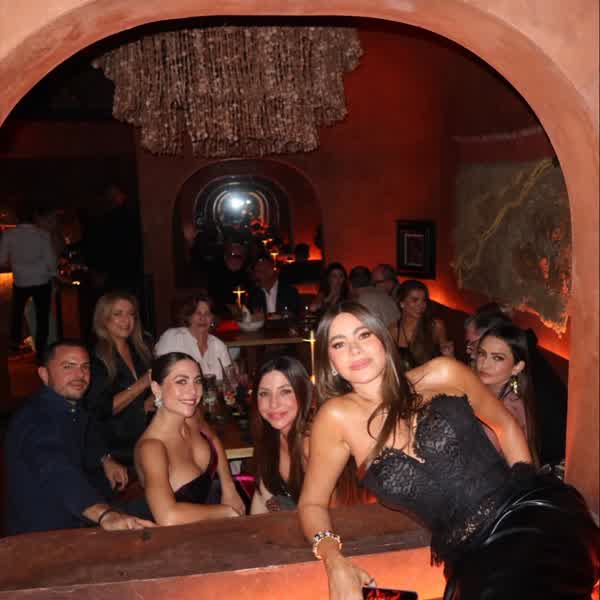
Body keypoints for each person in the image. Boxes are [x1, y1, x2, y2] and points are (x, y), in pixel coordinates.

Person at [297, 301, 598, 600]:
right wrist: (333, 561)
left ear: (383, 340)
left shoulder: (442, 373)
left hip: (524, 513)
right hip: (470, 557)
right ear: (329, 361)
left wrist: (526, 486)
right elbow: (311, 504)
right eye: (339, 344)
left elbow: (505, 425)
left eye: (363, 335)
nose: (355, 350)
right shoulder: (335, 419)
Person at [4, 340, 154, 535]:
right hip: (46, 535)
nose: (79, 375)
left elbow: (88, 432)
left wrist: (105, 458)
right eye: (68, 366)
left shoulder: (72, 407)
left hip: (80, 518)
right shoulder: (35, 419)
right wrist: (105, 515)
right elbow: (58, 472)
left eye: (85, 367)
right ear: (44, 374)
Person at [134, 352, 245, 525]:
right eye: (181, 381)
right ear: (156, 388)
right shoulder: (152, 448)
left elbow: (214, 439)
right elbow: (168, 517)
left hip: (217, 512)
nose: (193, 391)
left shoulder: (192, 415)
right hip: (183, 533)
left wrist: (229, 487)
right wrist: (226, 511)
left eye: (197, 381)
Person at [84, 292, 154, 465]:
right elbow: (100, 409)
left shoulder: (141, 349)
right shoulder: (94, 357)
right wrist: (141, 384)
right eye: (118, 314)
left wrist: (152, 399)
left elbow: (152, 389)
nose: (126, 320)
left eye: (131, 314)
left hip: (147, 434)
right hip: (115, 446)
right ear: (103, 318)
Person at [250, 356, 314, 513]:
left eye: (285, 392)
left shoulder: (312, 444)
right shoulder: (270, 436)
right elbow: (262, 498)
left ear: (304, 393)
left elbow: (331, 512)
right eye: (264, 394)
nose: (273, 404)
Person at [475, 323, 539, 465]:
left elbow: (479, 462)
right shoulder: (489, 392)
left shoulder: (509, 407)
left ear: (517, 367)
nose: (485, 364)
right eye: (482, 353)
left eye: (497, 358)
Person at [0, 202, 57, 361]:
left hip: (21, 280)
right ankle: (41, 352)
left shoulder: (8, 234)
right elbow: (50, 261)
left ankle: (15, 342)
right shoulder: (43, 235)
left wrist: (15, 261)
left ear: (17, 217)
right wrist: (54, 274)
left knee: (17, 312)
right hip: (42, 280)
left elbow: (2, 259)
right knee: (42, 318)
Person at [154, 294, 232, 381]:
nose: (202, 318)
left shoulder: (219, 346)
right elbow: (158, 374)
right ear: (189, 317)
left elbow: (230, 380)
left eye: (207, 314)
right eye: (198, 313)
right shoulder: (173, 337)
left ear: (212, 319)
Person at [395, 279, 453, 368]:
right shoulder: (394, 330)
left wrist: (450, 354)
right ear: (402, 303)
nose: (421, 305)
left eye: (424, 300)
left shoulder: (435, 325)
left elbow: (448, 359)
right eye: (415, 300)